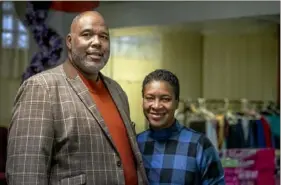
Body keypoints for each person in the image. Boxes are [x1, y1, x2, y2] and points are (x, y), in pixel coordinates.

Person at [6, 11, 148, 185]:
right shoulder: (41, 88)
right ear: (69, 42)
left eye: (103, 37)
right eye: (87, 34)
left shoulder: (117, 91)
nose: (97, 42)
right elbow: (25, 173)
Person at [137, 69, 225, 185]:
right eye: (150, 98)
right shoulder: (135, 144)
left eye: (165, 99)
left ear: (177, 103)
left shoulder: (199, 145)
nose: (156, 106)